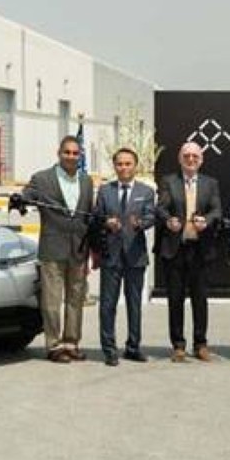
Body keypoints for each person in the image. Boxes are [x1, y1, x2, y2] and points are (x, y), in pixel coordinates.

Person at [14, 135, 95, 363]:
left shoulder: (86, 181)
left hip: (79, 248)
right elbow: (28, 194)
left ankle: (71, 343)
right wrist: (20, 199)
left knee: (76, 299)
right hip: (52, 248)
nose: (71, 156)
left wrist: (92, 248)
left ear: (80, 156)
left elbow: (88, 214)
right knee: (51, 300)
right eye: (67, 152)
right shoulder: (42, 179)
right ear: (58, 153)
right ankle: (54, 345)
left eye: (75, 153)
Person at [156, 141, 223, 363]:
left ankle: (200, 344)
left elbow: (217, 210)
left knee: (200, 299)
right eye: (187, 156)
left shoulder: (210, 183)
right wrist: (169, 220)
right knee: (175, 299)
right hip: (175, 249)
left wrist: (207, 221)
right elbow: (161, 208)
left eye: (195, 156)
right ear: (180, 159)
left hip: (200, 250)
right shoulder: (169, 181)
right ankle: (178, 345)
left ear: (201, 160)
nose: (191, 160)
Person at [93, 147, 157, 366]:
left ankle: (133, 347)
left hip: (135, 256)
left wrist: (140, 224)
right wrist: (106, 222)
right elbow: (96, 217)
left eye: (128, 163)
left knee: (134, 304)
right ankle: (109, 349)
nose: (123, 168)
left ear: (135, 166)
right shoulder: (105, 191)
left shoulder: (146, 191)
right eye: (119, 164)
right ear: (114, 166)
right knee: (107, 305)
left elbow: (151, 216)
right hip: (110, 255)